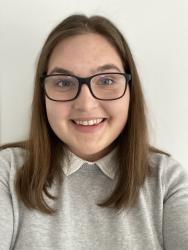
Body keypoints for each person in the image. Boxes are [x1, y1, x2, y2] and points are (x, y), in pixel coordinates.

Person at [0, 14, 188, 250]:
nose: (86, 104)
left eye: (107, 81)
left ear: (130, 89)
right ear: (42, 93)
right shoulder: (7, 172)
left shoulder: (165, 179)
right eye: (63, 82)